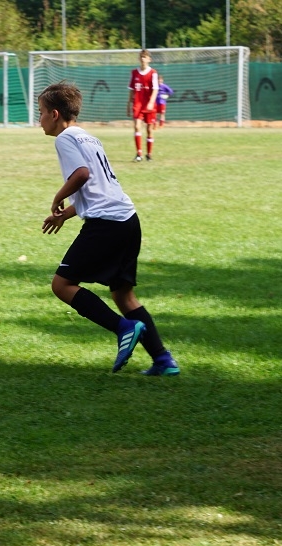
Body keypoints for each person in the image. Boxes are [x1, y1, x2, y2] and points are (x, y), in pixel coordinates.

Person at [38, 81, 180, 376]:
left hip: (107, 224)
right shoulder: (89, 138)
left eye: (41, 112)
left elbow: (81, 175)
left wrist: (58, 197)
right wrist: (66, 215)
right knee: (123, 296)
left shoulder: (64, 139)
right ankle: (163, 360)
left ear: (54, 114)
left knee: (62, 285)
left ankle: (123, 328)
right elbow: (98, 188)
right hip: (127, 219)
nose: (39, 119)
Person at [127, 49, 158, 162]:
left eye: (145, 57)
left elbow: (155, 89)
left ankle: (149, 154)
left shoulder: (153, 73)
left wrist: (151, 102)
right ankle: (139, 153)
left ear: (149, 59)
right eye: (141, 56)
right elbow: (131, 90)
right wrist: (128, 103)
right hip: (138, 104)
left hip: (149, 105)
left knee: (149, 130)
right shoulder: (134, 73)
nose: (142, 59)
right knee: (137, 126)